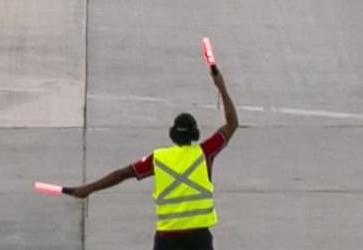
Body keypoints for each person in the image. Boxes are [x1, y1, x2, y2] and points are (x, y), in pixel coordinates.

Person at [52, 53, 240, 245]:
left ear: (172, 134)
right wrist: (221, 88)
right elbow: (232, 123)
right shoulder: (205, 153)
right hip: (199, 239)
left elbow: (122, 174)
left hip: (168, 240)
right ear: (195, 134)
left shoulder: (158, 159)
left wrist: (88, 189)